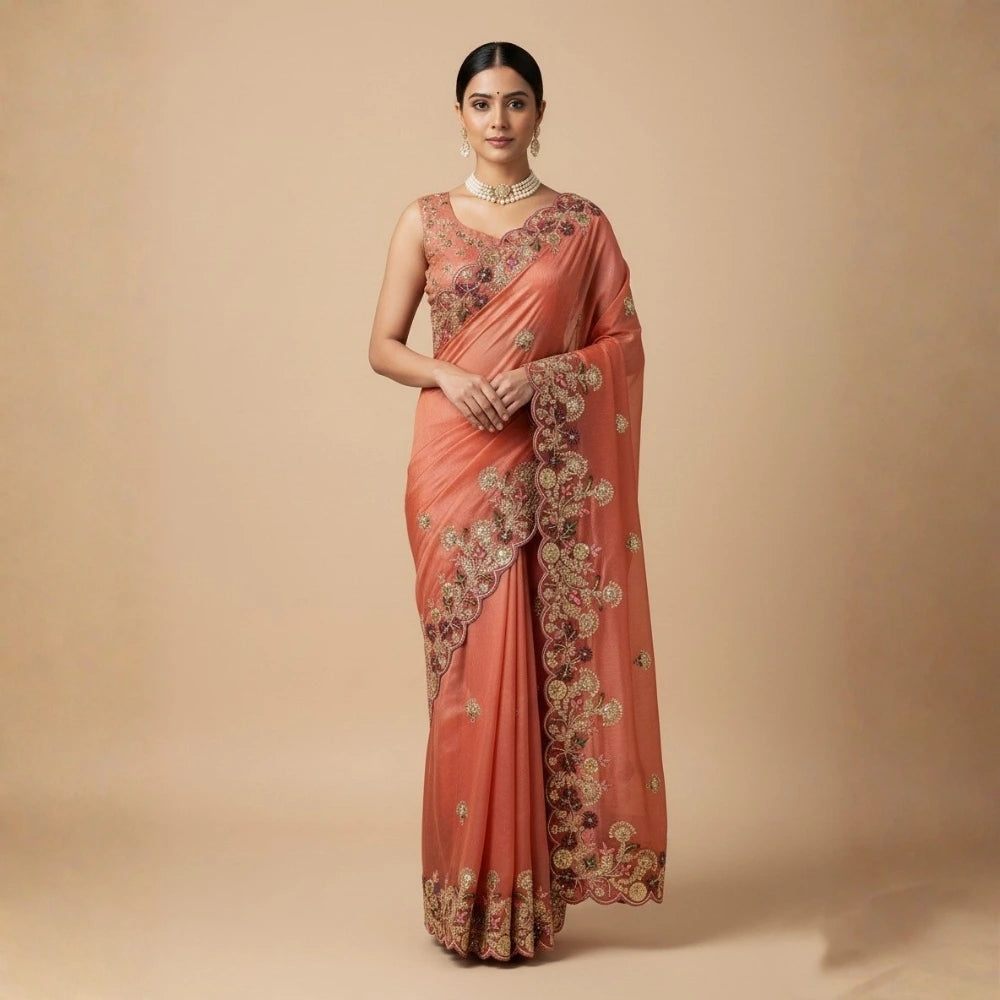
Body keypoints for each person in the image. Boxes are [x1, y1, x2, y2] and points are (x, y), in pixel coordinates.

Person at [368, 41, 667, 961]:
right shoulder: (423, 218)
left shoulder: (581, 226)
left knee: (526, 662)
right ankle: (467, 895)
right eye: (481, 102)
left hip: (540, 462)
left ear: (541, 114)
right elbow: (383, 345)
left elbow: (622, 341)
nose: (498, 120)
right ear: (457, 113)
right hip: (453, 462)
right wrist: (453, 378)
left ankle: (524, 902)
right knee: (467, 678)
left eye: (517, 102)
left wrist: (543, 378)